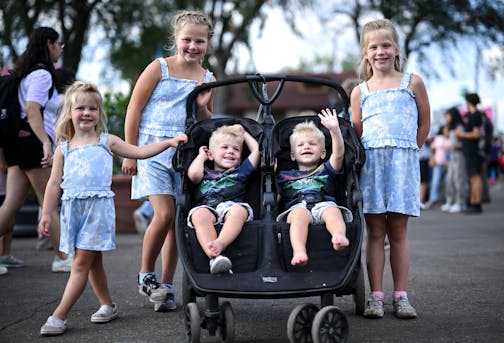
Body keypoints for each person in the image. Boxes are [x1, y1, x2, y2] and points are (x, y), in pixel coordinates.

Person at [38, 81, 187, 336]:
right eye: (80, 108)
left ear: (99, 113)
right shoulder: (63, 148)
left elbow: (140, 151)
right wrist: (45, 214)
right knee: (93, 262)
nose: (86, 113)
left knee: (80, 264)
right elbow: (53, 184)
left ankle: (59, 315)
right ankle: (107, 305)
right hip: (73, 212)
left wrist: (168, 142)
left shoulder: (107, 141)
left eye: (92, 108)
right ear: (70, 113)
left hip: (97, 213)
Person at [122, 9, 216, 312]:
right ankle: (145, 274)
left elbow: (207, 121)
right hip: (150, 151)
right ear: (176, 39)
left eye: (199, 41)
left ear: (207, 44)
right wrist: (130, 151)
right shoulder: (158, 68)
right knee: (162, 214)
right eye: (187, 39)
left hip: (183, 156)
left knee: (176, 222)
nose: (192, 46)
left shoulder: (207, 78)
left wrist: (202, 105)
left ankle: (166, 286)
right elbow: (134, 109)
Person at [350, 19, 430, 319]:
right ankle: (375, 297)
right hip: (372, 166)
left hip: (402, 166)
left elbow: (425, 122)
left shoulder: (412, 82)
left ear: (396, 49)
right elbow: (357, 132)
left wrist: (410, 151)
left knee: (398, 232)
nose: (380, 51)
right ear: (365, 53)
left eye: (386, 45)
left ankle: (401, 296)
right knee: (375, 232)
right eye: (374, 47)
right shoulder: (360, 91)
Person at [0, 27, 72, 272]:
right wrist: (45, 142)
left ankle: (63, 256)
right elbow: (32, 109)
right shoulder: (42, 75)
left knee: (10, 205)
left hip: (16, 142)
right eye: (58, 44)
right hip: (31, 143)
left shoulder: (26, 73)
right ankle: (63, 258)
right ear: (49, 44)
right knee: (49, 201)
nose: (60, 48)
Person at [276, 109, 353, 266]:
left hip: (323, 204)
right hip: (297, 206)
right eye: (300, 145)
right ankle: (299, 251)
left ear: (323, 153)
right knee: (298, 217)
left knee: (334, 212)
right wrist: (272, 170)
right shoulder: (284, 175)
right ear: (292, 155)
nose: (306, 147)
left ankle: (338, 236)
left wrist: (334, 130)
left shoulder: (326, 169)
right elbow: (276, 196)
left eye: (312, 144)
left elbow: (338, 155)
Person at [187, 124, 259, 273]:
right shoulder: (204, 172)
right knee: (199, 215)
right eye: (224, 147)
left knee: (239, 211)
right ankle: (215, 257)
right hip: (207, 206)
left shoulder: (240, 172)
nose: (230, 151)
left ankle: (219, 244)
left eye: (236, 149)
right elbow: (193, 175)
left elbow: (256, 151)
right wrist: (201, 156)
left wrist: (243, 132)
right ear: (211, 154)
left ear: (240, 158)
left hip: (231, 206)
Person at [456, 93, 484, 214]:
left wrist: (461, 135)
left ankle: (477, 203)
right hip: (469, 150)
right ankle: (473, 202)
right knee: (472, 177)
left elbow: (476, 134)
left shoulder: (475, 115)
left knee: (475, 177)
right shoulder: (472, 115)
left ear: (469, 102)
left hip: (473, 151)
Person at [440, 107, 468, 213]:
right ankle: (450, 201)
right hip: (451, 156)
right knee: (449, 179)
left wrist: (453, 146)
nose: (446, 118)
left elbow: (463, 143)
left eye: (447, 116)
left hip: (459, 155)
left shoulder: (459, 127)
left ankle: (460, 202)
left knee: (458, 179)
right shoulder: (451, 127)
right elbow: (446, 135)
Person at [424, 126, 450, 209]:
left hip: (448, 163)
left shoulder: (451, 139)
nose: (447, 131)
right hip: (438, 162)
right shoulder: (439, 138)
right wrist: (432, 159)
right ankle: (432, 199)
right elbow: (432, 149)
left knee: (448, 182)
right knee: (435, 181)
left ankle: (448, 200)